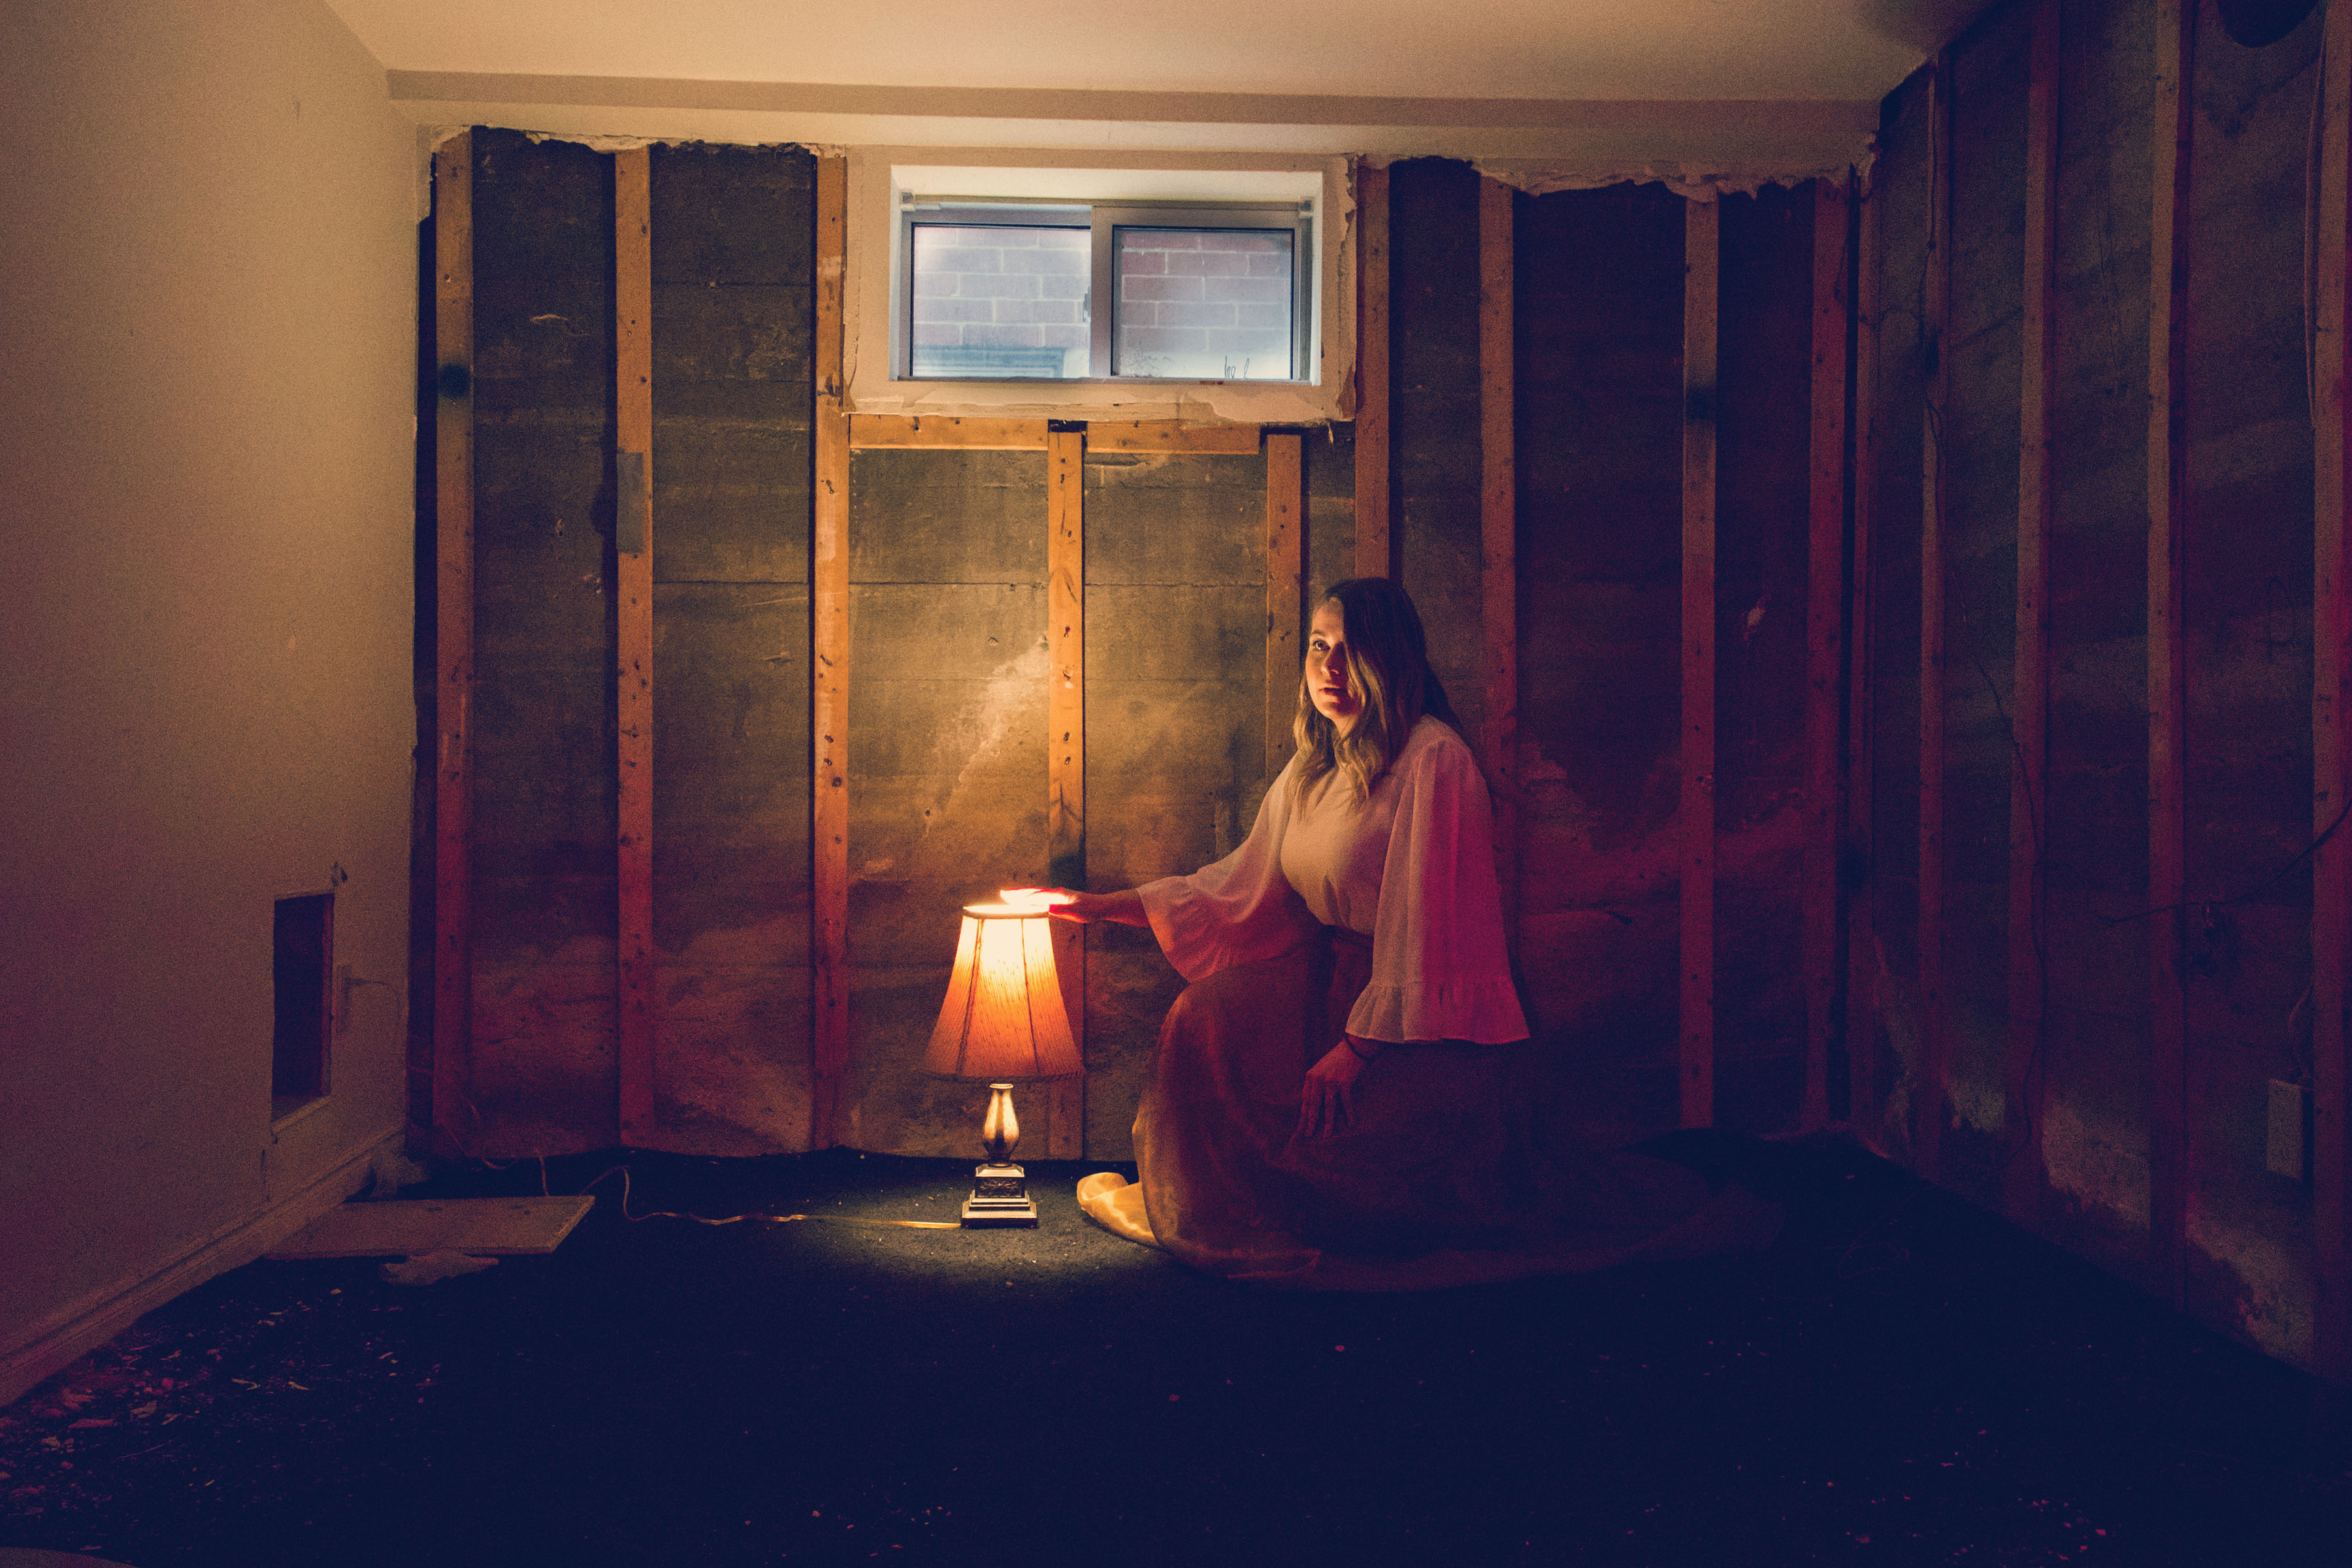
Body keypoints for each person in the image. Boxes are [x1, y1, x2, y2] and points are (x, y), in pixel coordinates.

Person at [1022, 578, 1777, 1288]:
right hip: (1331, 982)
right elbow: (1237, 886)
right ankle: (1219, 1203)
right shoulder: (1313, 766)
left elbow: (1435, 925)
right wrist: (1095, 907)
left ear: (1392, 659)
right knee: (1202, 1019)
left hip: (1421, 1020)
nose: (1330, 665)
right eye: (1318, 645)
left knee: (1360, 1186)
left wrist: (1356, 1051)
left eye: (1351, 648)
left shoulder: (1434, 758)